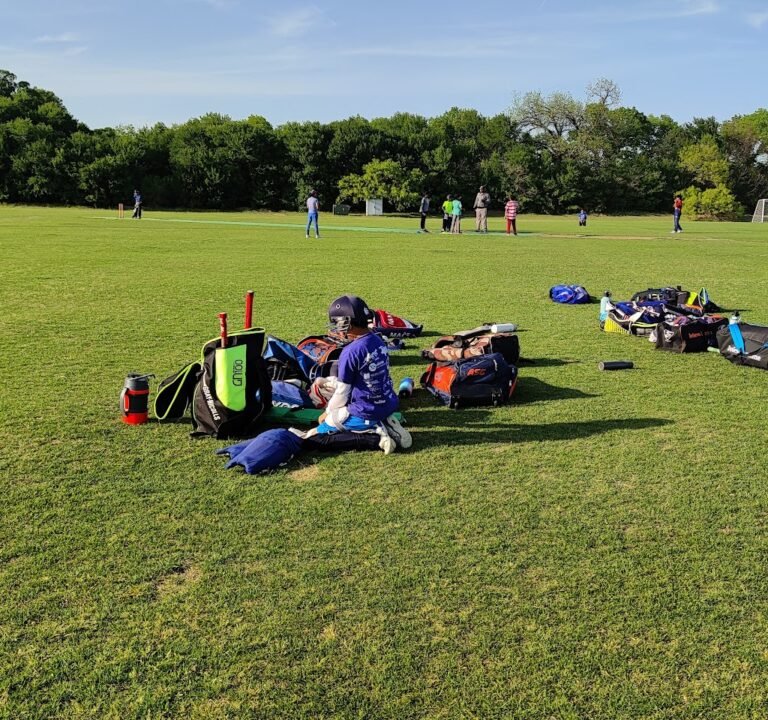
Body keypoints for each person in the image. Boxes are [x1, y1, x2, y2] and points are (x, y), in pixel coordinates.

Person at [308, 295, 412, 454]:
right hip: (388, 403)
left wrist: (327, 412)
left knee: (319, 434)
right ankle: (386, 422)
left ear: (346, 322)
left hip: (366, 410)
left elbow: (342, 393)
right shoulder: (377, 340)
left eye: (337, 323)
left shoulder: (351, 352)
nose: (336, 328)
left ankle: (375, 434)